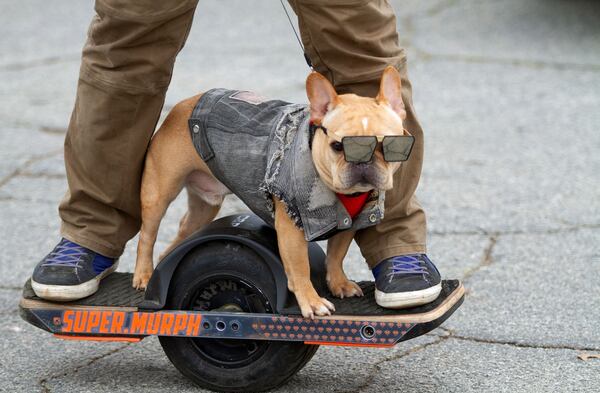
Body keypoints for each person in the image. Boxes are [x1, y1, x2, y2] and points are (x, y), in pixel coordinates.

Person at [31, 0, 441, 309]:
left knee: (358, 33)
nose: (365, 157)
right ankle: (92, 231)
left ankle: (393, 239)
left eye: (390, 148)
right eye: (345, 147)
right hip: (197, 137)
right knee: (129, 35)